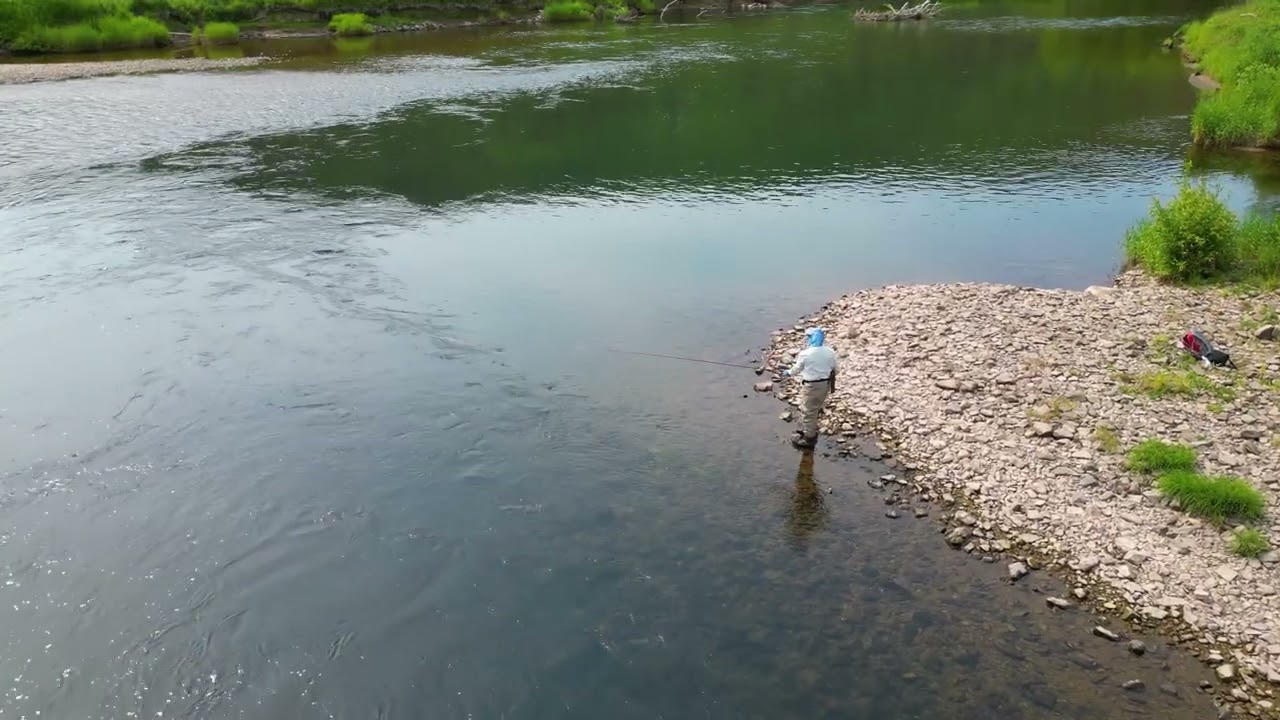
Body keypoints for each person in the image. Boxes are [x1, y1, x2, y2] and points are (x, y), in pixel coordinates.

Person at [783, 327, 838, 449]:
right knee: (815, 407)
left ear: (811, 339)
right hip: (826, 385)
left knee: (808, 411)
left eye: (808, 337)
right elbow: (836, 369)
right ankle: (810, 429)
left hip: (811, 386)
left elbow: (797, 369)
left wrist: (788, 373)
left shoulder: (805, 354)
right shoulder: (830, 352)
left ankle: (809, 438)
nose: (806, 339)